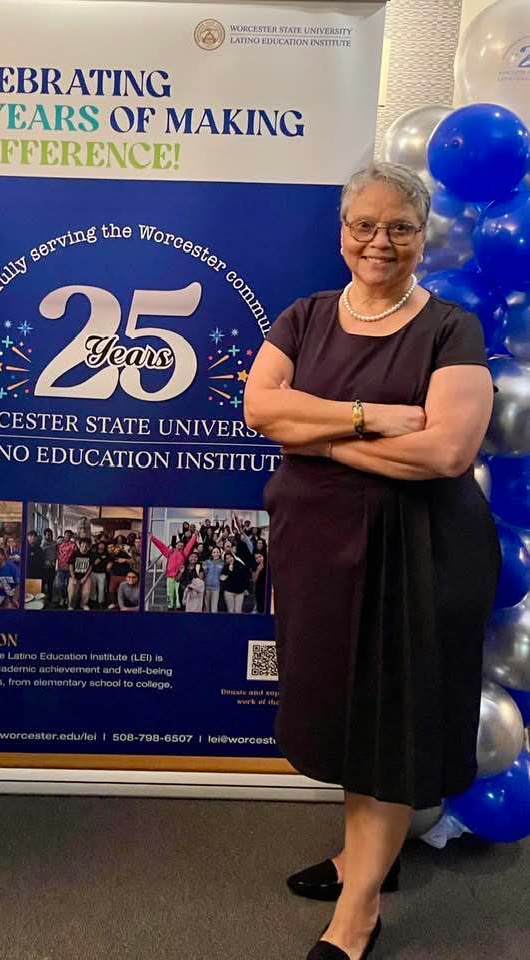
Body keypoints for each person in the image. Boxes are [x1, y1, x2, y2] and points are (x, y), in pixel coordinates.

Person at [243, 161, 499, 960]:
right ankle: (363, 859)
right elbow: (259, 408)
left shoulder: (450, 328)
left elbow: (447, 452)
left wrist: (318, 438)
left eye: (399, 227)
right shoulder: (305, 316)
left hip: (421, 555)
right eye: (364, 224)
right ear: (341, 230)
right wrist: (374, 418)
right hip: (319, 553)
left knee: (392, 718)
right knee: (343, 711)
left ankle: (357, 915)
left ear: (423, 237)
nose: (379, 242)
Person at [149, 530, 198, 610]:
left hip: (179, 577)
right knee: (170, 594)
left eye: (182, 545)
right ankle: (170, 607)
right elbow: (161, 546)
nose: (180, 546)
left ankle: (178, 608)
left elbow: (189, 545)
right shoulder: (170, 552)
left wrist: (194, 536)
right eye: (179, 545)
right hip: (170, 577)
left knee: (178, 595)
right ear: (176, 545)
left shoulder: (184, 553)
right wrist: (153, 538)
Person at [55, 530, 77, 607]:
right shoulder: (58, 544)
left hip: (70, 569)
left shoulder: (73, 545)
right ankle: (62, 597)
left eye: (69, 535)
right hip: (60, 568)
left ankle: (67, 598)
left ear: (71, 536)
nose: (67, 536)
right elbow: (53, 551)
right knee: (59, 585)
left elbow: (77, 553)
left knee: (68, 585)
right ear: (64, 535)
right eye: (66, 535)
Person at [203, 546, 224, 613]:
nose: (216, 554)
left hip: (216, 588)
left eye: (217, 552)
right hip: (207, 587)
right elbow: (205, 574)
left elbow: (225, 573)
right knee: (207, 608)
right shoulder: (207, 562)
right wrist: (205, 569)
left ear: (220, 554)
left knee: (214, 609)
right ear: (212, 554)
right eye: (214, 552)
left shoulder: (222, 563)